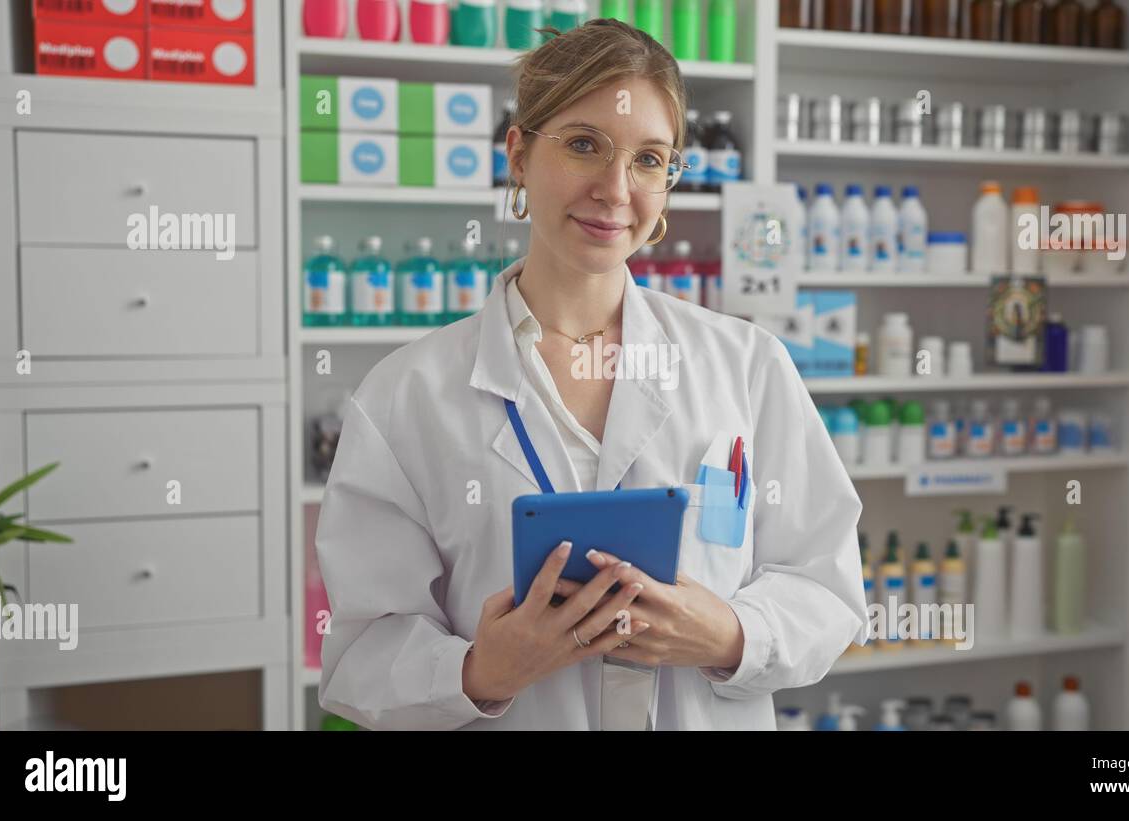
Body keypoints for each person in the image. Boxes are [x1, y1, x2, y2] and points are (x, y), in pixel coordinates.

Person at [316, 19, 866, 730]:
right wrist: (481, 670)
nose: (615, 188)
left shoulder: (747, 364)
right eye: (584, 145)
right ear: (517, 154)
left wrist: (731, 634)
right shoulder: (404, 396)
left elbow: (826, 587)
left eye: (648, 160)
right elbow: (360, 656)